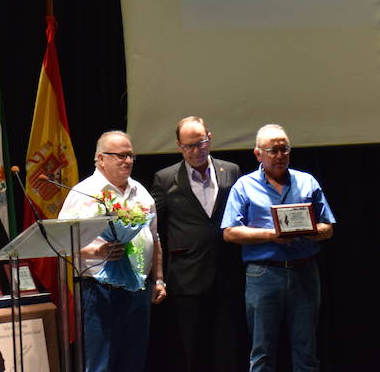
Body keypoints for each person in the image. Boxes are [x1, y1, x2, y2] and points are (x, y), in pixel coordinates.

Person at [222, 124, 336, 372]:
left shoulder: (307, 182)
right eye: (273, 150)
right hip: (263, 273)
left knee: (306, 350)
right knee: (262, 352)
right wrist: (271, 235)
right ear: (258, 154)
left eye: (284, 149)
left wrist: (307, 231)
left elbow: (328, 227)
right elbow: (230, 232)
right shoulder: (244, 186)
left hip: (304, 271)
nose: (280, 155)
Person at [58, 130, 166, 372]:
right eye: (120, 155)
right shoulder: (83, 193)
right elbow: (62, 241)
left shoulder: (141, 193)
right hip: (98, 291)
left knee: (133, 362)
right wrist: (97, 251)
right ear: (100, 159)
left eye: (130, 156)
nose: (127, 161)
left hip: (138, 288)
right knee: (100, 364)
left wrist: (158, 279)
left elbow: (155, 238)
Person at [151, 116, 247, 372]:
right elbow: (153, 226)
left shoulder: (232, 171)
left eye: (200, 143)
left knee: (229, 347)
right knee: (193, 350)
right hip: (187, 275)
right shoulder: (165, 178)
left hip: (228, 272)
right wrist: (157, 276)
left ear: (209, 139)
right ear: (179, 146)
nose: (195, 151)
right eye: (188, 146)